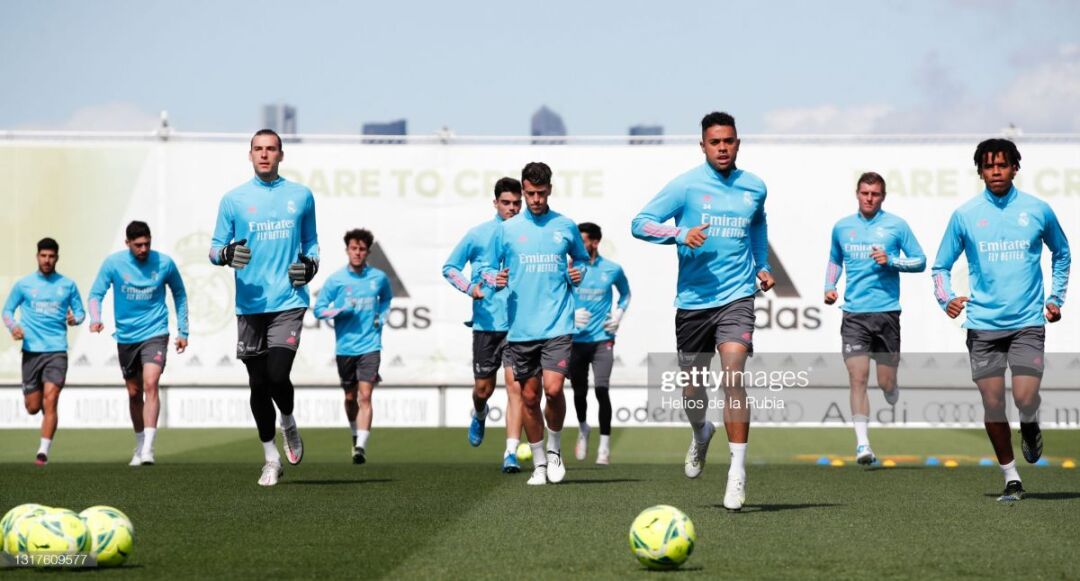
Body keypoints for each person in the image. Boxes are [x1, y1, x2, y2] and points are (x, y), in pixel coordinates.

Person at [631, 111, 773, 511]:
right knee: (693, 390)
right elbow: (640, 223)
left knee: (733, 376)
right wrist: (679, 233)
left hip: (738, 297)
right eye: (715, 142)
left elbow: (758, 226)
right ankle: (701, 433)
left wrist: (762, 266)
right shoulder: (686, 186)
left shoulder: (755, 187)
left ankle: (737, 473)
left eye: (728, 141)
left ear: (738, 143)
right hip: (693, 303)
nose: (722, 148)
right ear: (703, 146)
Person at [932, 138, 1070, 502]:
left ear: (1014, 168)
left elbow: (1062, 253)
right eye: (989, 166)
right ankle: (1011, 478)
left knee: (1025, 397)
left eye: (1002, 165)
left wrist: (1055, 298)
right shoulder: (965, 215)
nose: (996, 171)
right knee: (993, 403)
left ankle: (1030, 423)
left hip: (1027, 323)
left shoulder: (1037, 210)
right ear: (980, 171)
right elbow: (940, 266)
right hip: (982, 326)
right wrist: (946, 298)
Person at [209, 129, 320, 487]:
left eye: (271, 149)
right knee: (258, 385)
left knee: (277, 375)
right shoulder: (234, 200)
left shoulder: (300, 196)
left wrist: (311, 266)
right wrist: (226, 253)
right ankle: (271, 459)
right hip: (249, 305)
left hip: (289, 300)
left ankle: (288, 420)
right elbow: (214, 249)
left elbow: (311, 243)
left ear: (281, 155)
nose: (264, 154)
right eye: (258, 149)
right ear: (250, 154)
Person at [481, 162, 590, 485]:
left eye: (541, 193)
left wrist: (578, 272)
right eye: (530, 193)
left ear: (550, 190)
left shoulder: (565, 226)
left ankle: (554, 452)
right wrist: (494, 278)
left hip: (558, 324)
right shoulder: (507, 229)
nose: (536, 199)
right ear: (523, 190)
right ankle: (539, 463)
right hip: (521, 329)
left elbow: (582, 259)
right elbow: (486, 267)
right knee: (529, 398)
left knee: (553, 390)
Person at [824, 173, 925, 465]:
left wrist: (891, 261)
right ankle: (862, 444)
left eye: (875, 194)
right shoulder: (842, 227)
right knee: (858, 377)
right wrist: (830, 286)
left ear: (883, 196)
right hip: (854, 315)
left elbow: (920, 261)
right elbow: (834, 260)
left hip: (887, 314)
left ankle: (891, 387)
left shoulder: (896, 226)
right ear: (857, 193)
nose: (869, 198)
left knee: (885, 382)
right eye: (865, 193)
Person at [442, 177, 527, 473]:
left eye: (516, 203)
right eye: (506, 203)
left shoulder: (529, 234)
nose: (512, 208)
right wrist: (470, 288)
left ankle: (510, 453)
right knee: (483, 389)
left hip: (520, 326)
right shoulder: (478, 234)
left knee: (516, 389)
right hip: (486, 326)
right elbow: (450, 268)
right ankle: (479, 413)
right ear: (495, 203)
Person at [88, 220, 190, 466]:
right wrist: (95, 318)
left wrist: (183, 331)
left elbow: (179, 294)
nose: (144, 249)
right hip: (126, 337)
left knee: (151, 383)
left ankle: (148, 449)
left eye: (147, 244)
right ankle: (140, 443)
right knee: (134, 393)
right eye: (138, 245)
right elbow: (95, 294)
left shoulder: (164, 263)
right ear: (128, 243)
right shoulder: (114, 263)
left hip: (156, 332)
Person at [3, 237, 85, 465]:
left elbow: (80, 312)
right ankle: (44, 416)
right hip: (31, 352)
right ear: (37, 256)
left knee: (52, 399)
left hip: (57, 351)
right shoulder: (24, 285)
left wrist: (75, 318)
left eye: (51, 256)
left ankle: (43, 452)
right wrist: (14, 327)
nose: (47, 260)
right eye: (43, 256)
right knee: (33, 407)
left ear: (57, 258)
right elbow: (7, 311)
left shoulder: (67, 285)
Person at [314, 229, 393, 465]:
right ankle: (354, 433)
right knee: (350, 398)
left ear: (368, 252)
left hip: (370, 345)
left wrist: (382, 315)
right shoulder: (336, 280)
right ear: (347, 250)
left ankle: (361, 447)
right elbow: (319, 309)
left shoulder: (379, 278)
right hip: (345, 348)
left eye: (362, 249)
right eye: (353, 248)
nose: (357, 253)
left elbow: (386, 299)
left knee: (365, 395)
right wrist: (338, 311)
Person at [570, 222, 630, 465]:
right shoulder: (570, 268)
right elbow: (555, 297)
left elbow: (626, 293)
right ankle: (583, 428)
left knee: (602, 390)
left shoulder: (612, 269)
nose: (577, 245)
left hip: (603, 340)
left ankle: (604, 447)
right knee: (579, 392)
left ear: (595, 242)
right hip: (575, 340)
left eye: (582, 240)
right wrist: (569, 316)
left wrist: (619, 314)